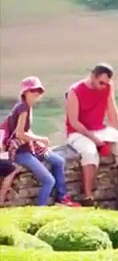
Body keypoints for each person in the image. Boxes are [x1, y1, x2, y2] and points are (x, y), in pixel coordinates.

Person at [65, 63, 118, 208]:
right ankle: (88, 197)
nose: (103, 86)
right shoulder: (75, 91)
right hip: (78, 131)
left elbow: (111, 110)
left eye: (106, 83)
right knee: (89, 153)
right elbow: (74, 121)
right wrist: (94, 139)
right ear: (93, 76)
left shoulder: (108, 87)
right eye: (101, 82)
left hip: (100, 128)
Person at [4, 77, 77, 207]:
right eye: (33, 91)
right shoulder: (23, 108)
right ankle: (40, 209)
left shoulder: (27, 108)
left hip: (32, 148)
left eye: (39, 91)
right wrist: (39, 139)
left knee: (58, 161)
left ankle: (62, 197)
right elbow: (20, 133)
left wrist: (39, 142)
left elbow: (26, 131)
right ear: (25, 92)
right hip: (22, 153)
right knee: (48, 180)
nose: (37, 94)